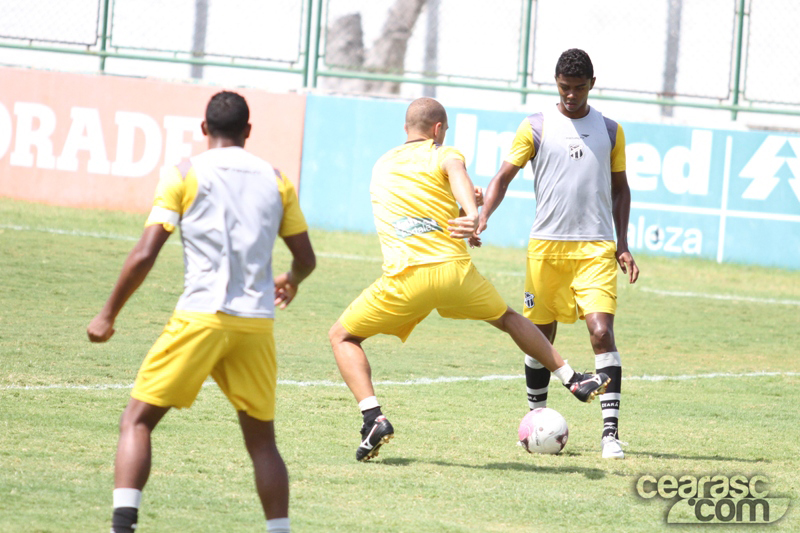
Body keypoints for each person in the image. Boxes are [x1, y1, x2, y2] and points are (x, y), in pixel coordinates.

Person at [328, 97, 609, 462]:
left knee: (342, 336)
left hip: (404, 278)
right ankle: (573, 378)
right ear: (438, 130)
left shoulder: (382, 164)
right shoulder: (442, 153)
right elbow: (455, 170)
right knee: (509, 319)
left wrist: (466, 210)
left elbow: (427, 199)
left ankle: (373, 418)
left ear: (405, 129)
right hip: (453, 272)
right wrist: (473, 212)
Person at [87, 91, 316, 533]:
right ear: (248, 132)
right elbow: (306, 259)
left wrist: (108, 314)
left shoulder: (185, 173)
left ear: (204, 128)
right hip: (255, 324)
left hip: (201, 316)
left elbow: (145, 253)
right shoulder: (277, 179)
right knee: (262, 443)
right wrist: (291, 280)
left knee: (137, 421)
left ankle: (122, 527)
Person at [477, 49, 639, 459]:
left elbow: (621, 189)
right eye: (564, 88)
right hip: (545, 249)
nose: (570, 96)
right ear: (556, 83)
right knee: (539, 338)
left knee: (601, 332)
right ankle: (536, 420)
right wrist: (482, 216)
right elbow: (502, 177)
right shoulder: (534, 126)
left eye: (578, 88)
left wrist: (622, 243)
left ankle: (610, 435)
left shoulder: (610, 129)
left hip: (595, 248)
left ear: (592, 85)